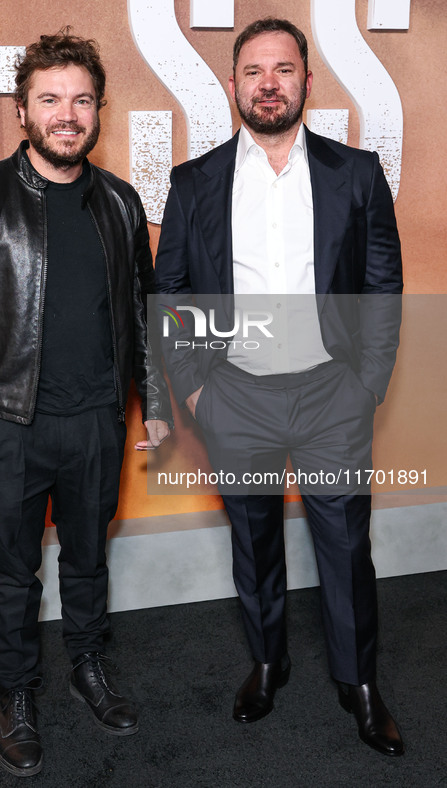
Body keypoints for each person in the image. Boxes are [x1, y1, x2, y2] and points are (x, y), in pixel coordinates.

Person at [0, 29, 171, 777]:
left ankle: (87, 666)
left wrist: (154, 404)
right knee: (13, 571)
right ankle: (16, 695)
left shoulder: (121, 202)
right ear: (24, 111)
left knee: (89, 562)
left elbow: (141, 311)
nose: (68, 114)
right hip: (9, 424)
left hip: (97, 420)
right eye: (51, 100)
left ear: (98, 109)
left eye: (82, 100)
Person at [154, 18, 404, 756]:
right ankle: (267, 661)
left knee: (344, 543)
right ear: (232, 86)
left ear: (305, 81)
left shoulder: (354, 173)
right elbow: (171, 291)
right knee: (254, 539)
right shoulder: (193, 181)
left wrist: (366, 383)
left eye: (284, 69)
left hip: (333, 394)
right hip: (235, 397)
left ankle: (358, 681)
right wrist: (196, 392)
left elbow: (381, 287)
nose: (269, 82)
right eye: (254, 70)